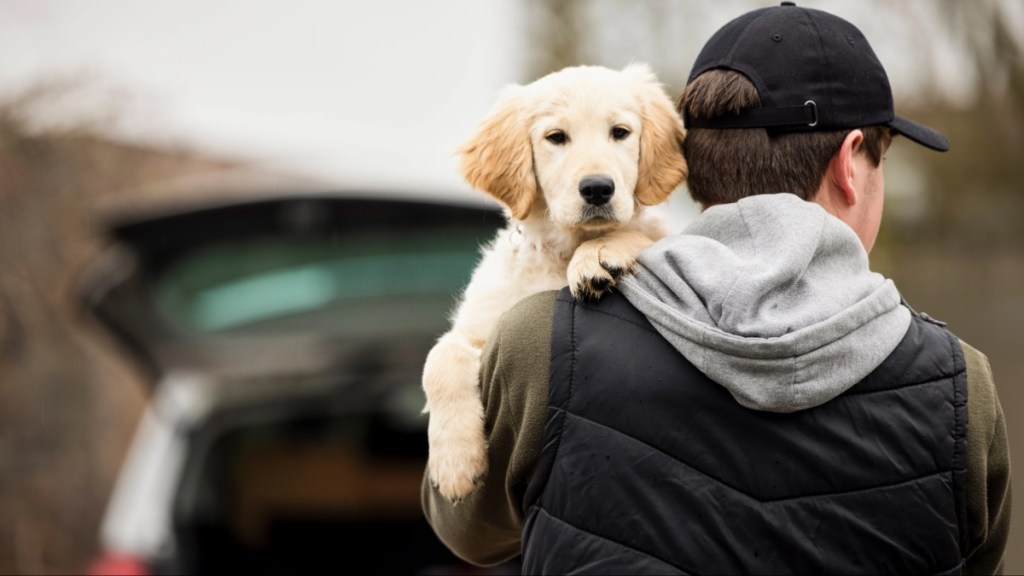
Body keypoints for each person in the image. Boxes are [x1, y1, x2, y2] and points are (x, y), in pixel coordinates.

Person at [421, 3, 1012, 574]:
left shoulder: (541, 341)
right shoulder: (961, 383)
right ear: (851, 163)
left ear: (685, 163)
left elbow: (470, 529)